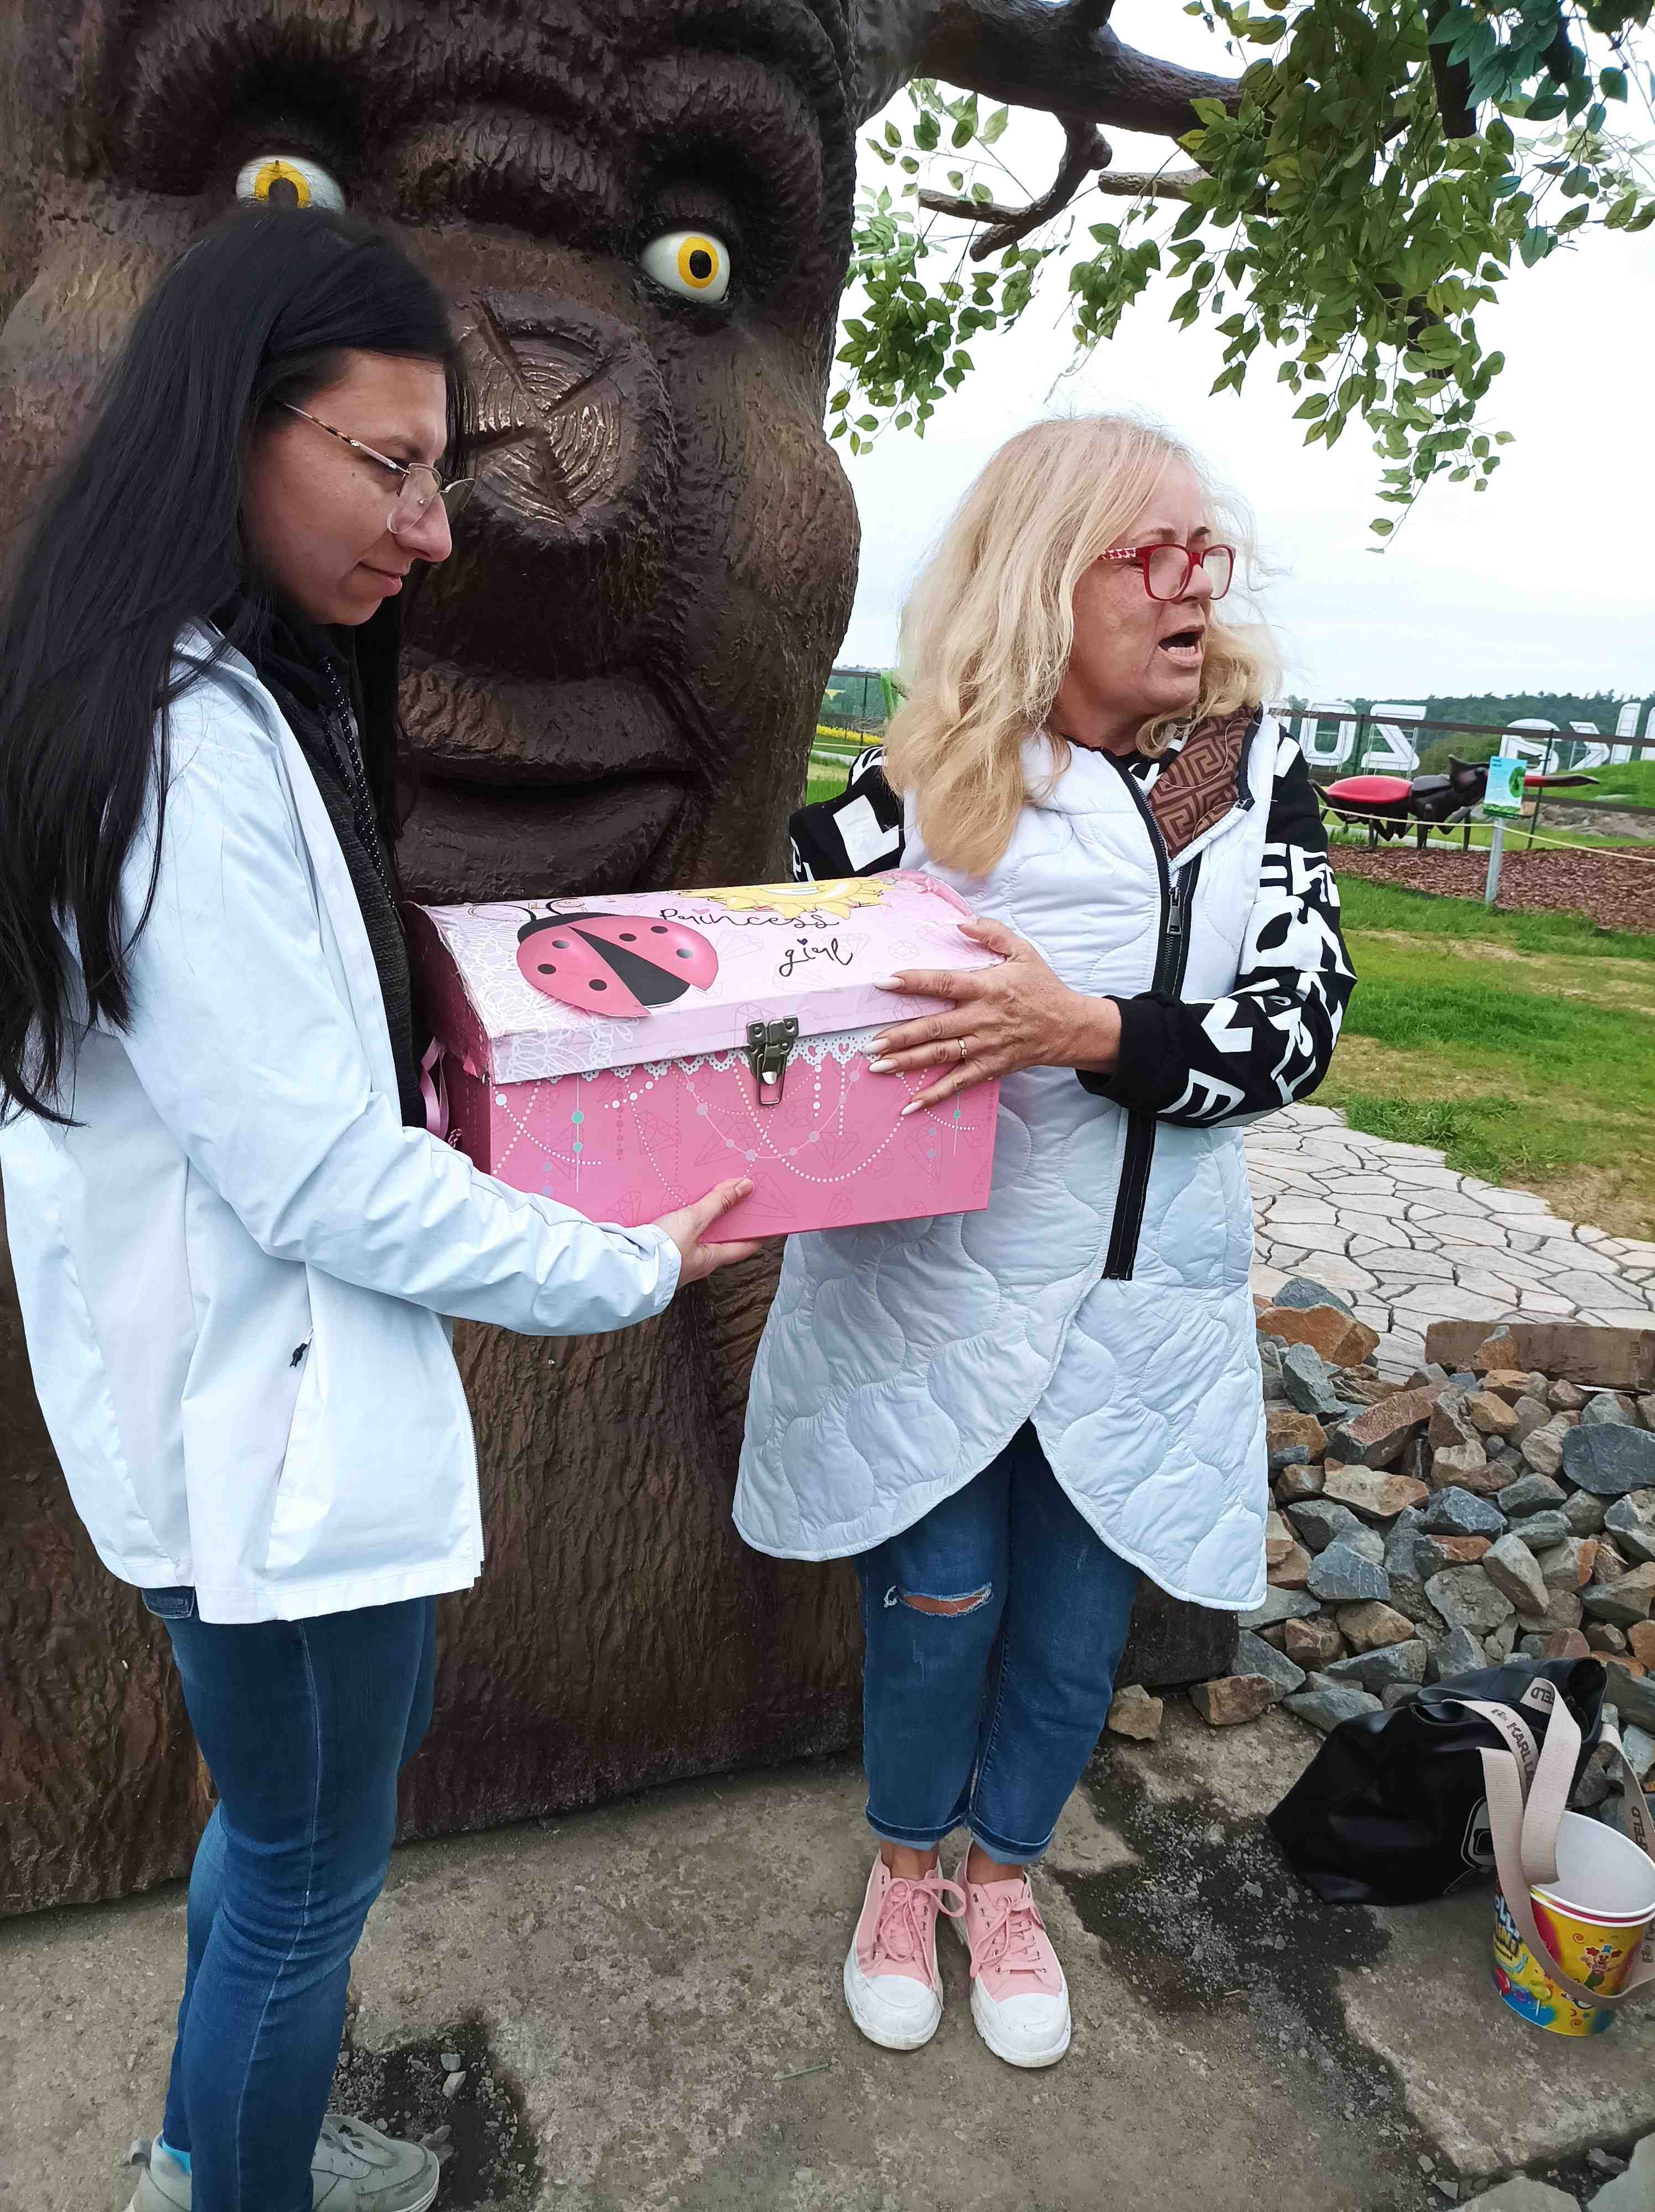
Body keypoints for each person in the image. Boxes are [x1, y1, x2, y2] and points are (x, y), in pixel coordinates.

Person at [0, 208, 757, 2212]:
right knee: (300, 1885)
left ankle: (210, 2146)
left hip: (246, 1423)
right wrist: (627, 1262)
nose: (432, 533)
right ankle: (229, 2174)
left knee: (280, 1837)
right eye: (393, 466)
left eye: (441, 477)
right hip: (266, 1449)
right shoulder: (184, 746)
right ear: (232, 427)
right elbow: (320, 1175)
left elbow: (281, 1088)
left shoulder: (216, 694)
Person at [737, 414, 1355, 2068]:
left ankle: (1003, 1878)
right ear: (1043, 576)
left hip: (1134, 1304)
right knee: (936, 1603)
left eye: (1206, 551)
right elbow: (766, 966)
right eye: (1154, 553)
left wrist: (1087, 1030)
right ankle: (904, 1870)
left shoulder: (1250, 782)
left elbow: (1296, 1030)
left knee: (1077, 1634)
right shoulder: (920, 786)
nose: (1195, 584)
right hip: (929, 1293)